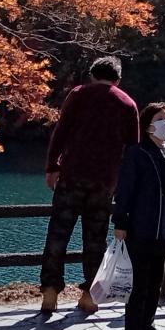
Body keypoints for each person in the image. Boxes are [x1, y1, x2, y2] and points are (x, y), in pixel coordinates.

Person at [40, 56, 140, 314]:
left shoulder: (78, 94)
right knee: (95, 239)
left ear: (93, 75)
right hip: (105, 182)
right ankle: (89, 295)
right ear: (118, 79)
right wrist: (125, 184)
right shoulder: (128, 104)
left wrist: (52, 166)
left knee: (58, 234)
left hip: (72, 176)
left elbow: (61, 131)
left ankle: (50, 291)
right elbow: (133, 151)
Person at [113, 102, 165, 330]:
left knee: (155, 283)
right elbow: (125, 190)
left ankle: (148, 325)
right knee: (139, 286)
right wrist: (120, 222)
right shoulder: (137, 153)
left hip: (162, 230)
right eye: (160, 118)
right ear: (147, 126)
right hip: (140, 229)